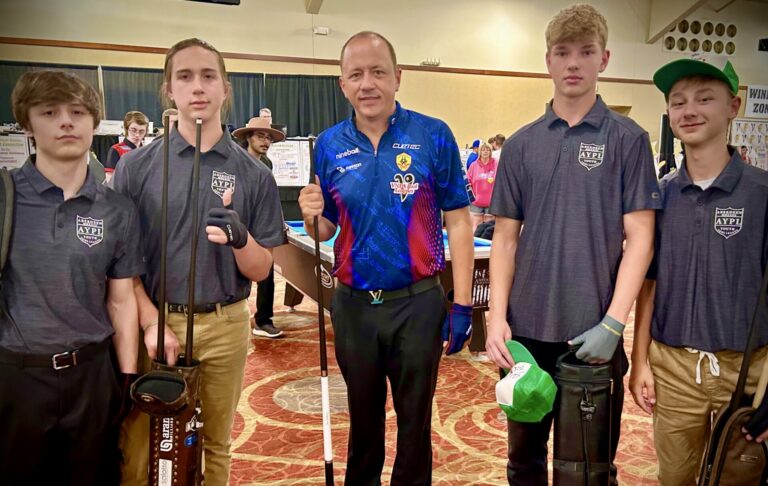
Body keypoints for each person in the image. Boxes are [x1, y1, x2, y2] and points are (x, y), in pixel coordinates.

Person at [484, 5, 660, 485]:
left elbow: (641, 238)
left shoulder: (629, 139)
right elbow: (504, 239)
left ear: (604, 58)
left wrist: (613, 322)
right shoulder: (521, 144)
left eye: (585, 52)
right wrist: (497, 317)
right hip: (525, 335)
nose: (573, 63)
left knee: (588, 468)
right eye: (563, 52)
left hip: (593, 337)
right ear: (548, 61)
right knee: (523, 463)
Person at [298, 31, 474, 486]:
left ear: (398, 77)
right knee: (363, 422)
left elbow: (458, 220)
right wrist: (312, 216)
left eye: (378, 72)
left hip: (417, 303)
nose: (367, 83)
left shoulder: (432, 135)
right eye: (355, 75)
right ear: (342, 85)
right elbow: (327, 230)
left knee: (415, 425)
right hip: (354, 305)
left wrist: (462, 302)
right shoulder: (331, 145)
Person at [114, 38, 285, 486]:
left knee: (216, 443)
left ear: (225, 88)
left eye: (208, 76)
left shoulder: (254, 175)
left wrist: (241, 240)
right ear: (168, 89)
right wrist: (151, 321)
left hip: (225, 324)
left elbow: (262, 269)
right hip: (155, 322)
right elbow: (120, 265)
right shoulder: (137, 168)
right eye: (185, 77)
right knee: (139, 443)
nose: (198, 87)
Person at [629, 57, 768, 485]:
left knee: (739, 478)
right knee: (675, 476)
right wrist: (640, 361)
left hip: (748, 370)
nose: (689, 111)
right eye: (678, 102)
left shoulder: (762, 193)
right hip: (673, 367)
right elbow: (648, 283)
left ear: (733, 106)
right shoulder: (659, 195)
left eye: (704, 98)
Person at [0, 70, 142, 485]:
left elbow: (121, 299)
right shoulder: (5, 196)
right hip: (17, 378)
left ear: (93, 122)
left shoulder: (117, 210)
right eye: (50, 111)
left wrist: (127, 377)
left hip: (93, 376)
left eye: (78, 112)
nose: (66, 121)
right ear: (27, 123)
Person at [232, 115, 286, 338]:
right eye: (261, 136)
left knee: (267, 273)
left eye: (269, 138)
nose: (265, 141)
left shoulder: (267, 164)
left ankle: (263, 319)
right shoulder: (234, 162)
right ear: (248, 137)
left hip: (261, 226)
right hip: (238, 225)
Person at [105, 110, 148, 175]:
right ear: (126, 128)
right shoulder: (116, 150)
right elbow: (110, 178)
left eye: (141, 131)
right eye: (133, 130)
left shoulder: (147, 150)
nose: (137, 135)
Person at [467, 141, 497, 232]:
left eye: (488, 150)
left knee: (489, 229)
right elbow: (468, 182)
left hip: (491, 202)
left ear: (490, 152)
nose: (485, 152)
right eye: (483, 150)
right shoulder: (473, 166)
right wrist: (471, 197)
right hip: (476, 202)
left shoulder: (496, 164)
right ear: (479, 152)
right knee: (475, 227)